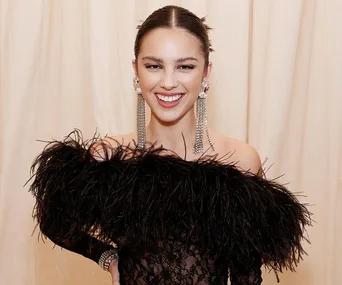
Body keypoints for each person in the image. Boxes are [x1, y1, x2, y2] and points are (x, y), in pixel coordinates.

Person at [28, 5, 311, 285]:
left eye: (185, 66)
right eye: (154, 66)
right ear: (136, 70)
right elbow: (55, 220)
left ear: (206, 73)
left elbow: (245, 274)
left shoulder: (238, 160)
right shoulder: (111, 156)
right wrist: (107, 258)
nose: (168, 82)